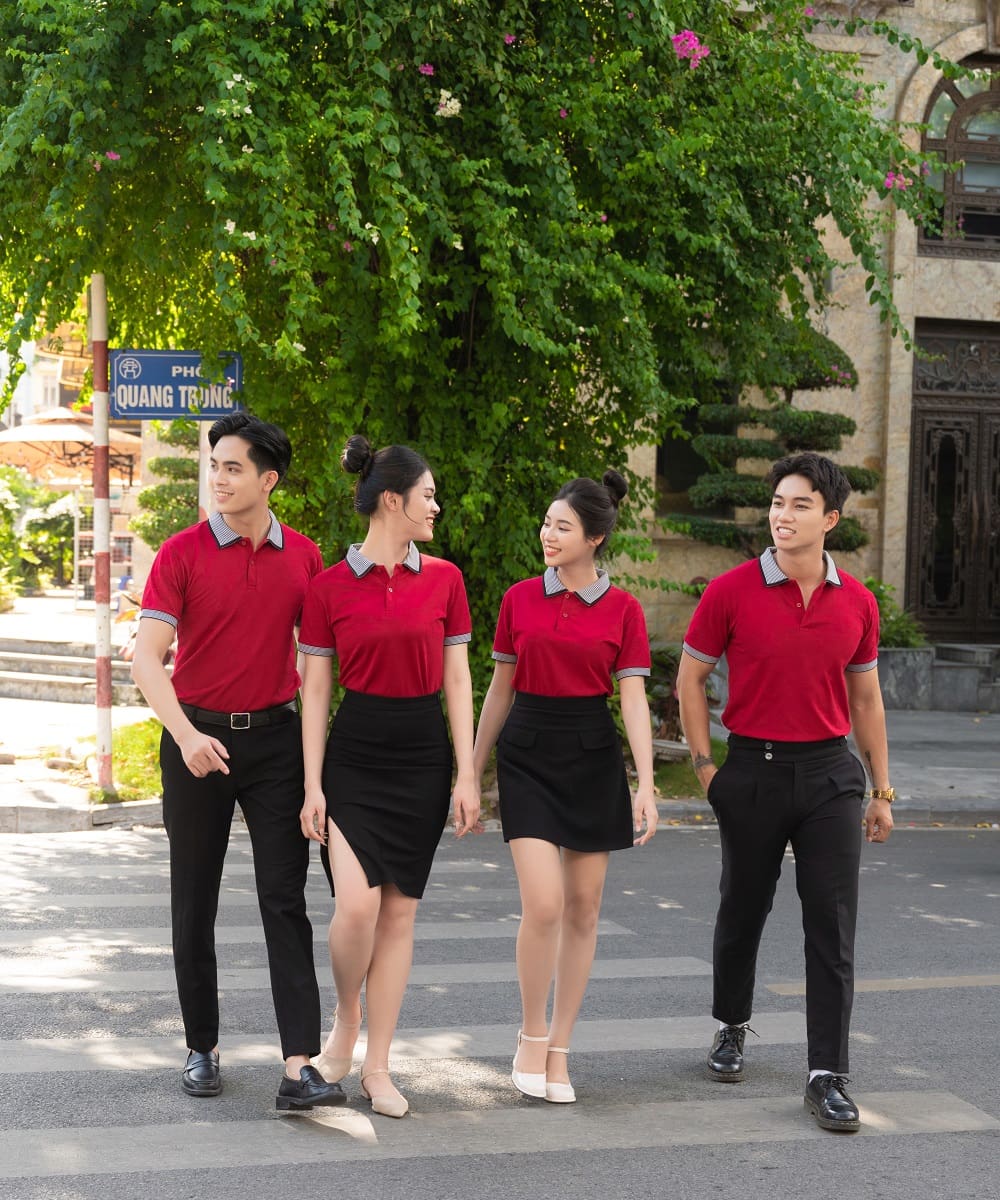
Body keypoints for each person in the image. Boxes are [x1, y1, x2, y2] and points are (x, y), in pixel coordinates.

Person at [131, 412, 345, 1111]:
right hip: (195, 741)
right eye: (214, 466)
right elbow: (146, 660)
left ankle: (299, 1065)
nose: (218, 479)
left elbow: (316, 667)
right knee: (194, 899)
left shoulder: (304, 557)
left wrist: (313, 777)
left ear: (268, 479)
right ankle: (202, 1047)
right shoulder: (181, 553)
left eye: (233, 468)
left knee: (285, 901)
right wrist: (185, 736)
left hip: (276, 743)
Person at [676, 451, 894, 1134]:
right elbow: (690, 681)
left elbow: (866, 700)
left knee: (831, 923)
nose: (782, 515)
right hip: (752, 770)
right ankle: (731, 1023)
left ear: (830, 519)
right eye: (777, 503)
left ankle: (827, 1074)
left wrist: (882, 789)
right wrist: (707, 770)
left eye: (800, 505)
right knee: (742, 907)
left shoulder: (858, 601)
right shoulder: (730, 591)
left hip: (830, 776)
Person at [298, 435, 479, 1119]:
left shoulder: (446, 580)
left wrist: (467, 773)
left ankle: (378, 1066)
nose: (436, 506)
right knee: (356, 908)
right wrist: (312, 785)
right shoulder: (327, 587)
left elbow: (458, 680)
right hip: (355, 755)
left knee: (399, 915)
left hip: (423, 757)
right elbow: (316, 690)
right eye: (428, 495)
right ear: (393, 501)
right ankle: (346, 1018)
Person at [472, 471, 658, 1105]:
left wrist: (646, 783)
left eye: (562, 527)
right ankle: (530, 1034)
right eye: (547, 524)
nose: (547, 535)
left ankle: (559, 1050)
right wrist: (471, 772)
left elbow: (632, 699)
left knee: (584, 908)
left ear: (595, 537)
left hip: (591, 756)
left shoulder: (624, 609)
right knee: (545, 904)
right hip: (526, 753)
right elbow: (499, 691)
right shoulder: (519, 599)